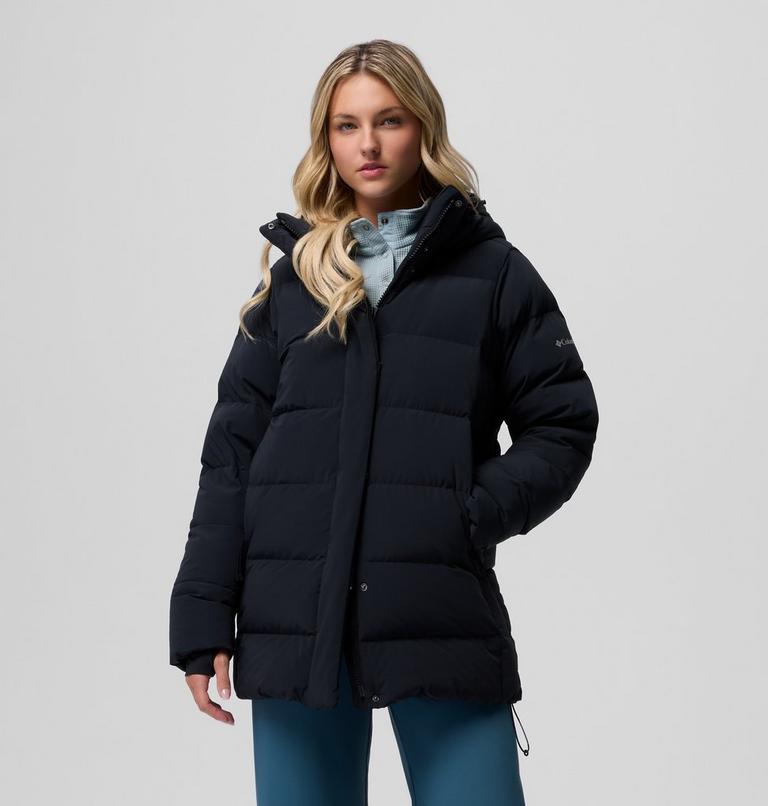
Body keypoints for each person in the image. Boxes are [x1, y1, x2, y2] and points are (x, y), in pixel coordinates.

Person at [169, 38, 599, 806]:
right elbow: (231, 459)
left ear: (422, 127)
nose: (367, 144)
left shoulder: (493, 274)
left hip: (436, 613)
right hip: (294, 622)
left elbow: (562, 422)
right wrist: (202, 619)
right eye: (347, 125)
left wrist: (464, 513)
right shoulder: (293, 284)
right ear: (327, 141)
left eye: (389, 120)